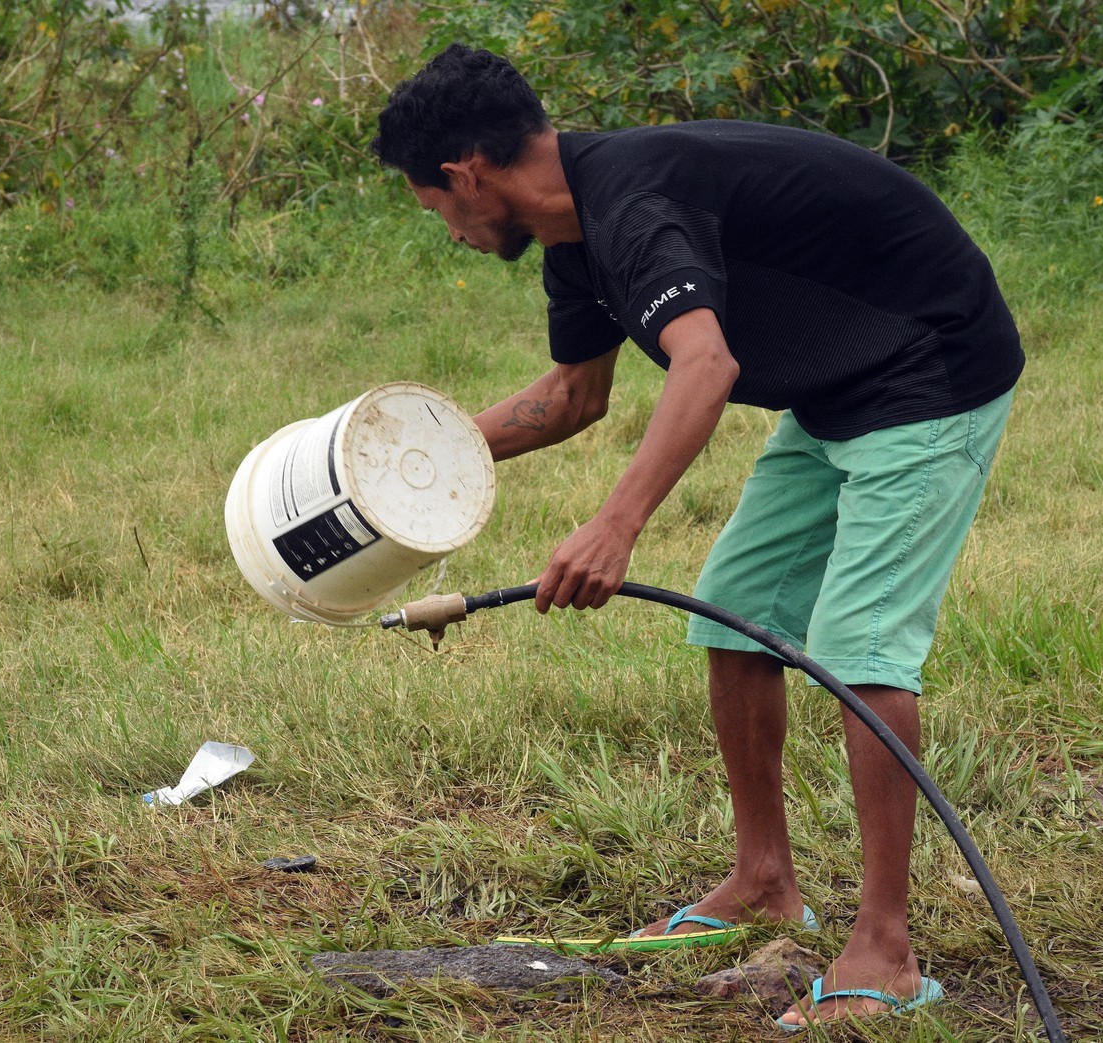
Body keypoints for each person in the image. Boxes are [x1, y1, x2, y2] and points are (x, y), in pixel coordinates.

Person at [372, 43, 1023, 1030]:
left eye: (437, 209)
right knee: (735, 613)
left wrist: (614, 524)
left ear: (464, 173)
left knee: (859, 643)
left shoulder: (632, 201)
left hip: (930, 364)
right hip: (833, 382)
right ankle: (763, 880)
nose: (451, 231)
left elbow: (704, 363)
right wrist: (401, 471)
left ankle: (883, 950)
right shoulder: (571, 238)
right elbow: (572, 396)